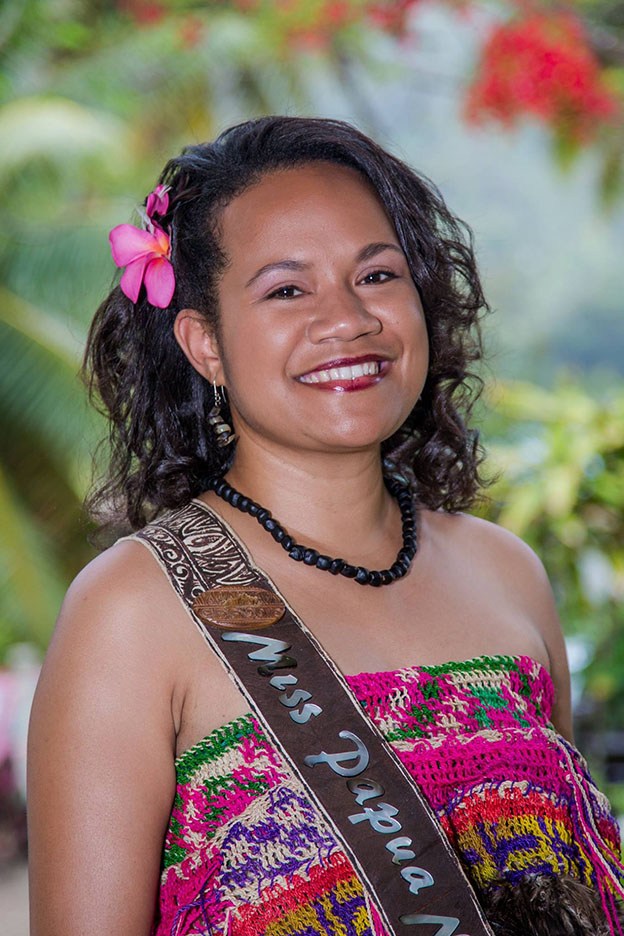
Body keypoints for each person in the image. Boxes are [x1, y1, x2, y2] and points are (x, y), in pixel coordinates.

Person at [27, 116, 624, 936]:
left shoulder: (505, 570)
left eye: (377, 275)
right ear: (204, 343)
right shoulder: (132, 610)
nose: (348, 319)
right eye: (287, 290)